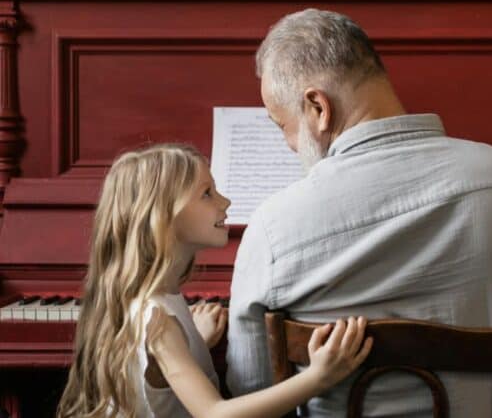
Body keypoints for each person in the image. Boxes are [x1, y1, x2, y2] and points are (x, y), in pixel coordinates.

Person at [227, 9, 492, 417]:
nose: (287, 142)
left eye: (279, 124)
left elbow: (250, 384)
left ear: (318, 107)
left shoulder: (272, 225)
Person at [56, 143, 372, 418]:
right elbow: (215, 414)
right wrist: (319, 377)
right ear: (162, 216)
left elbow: (153, 375)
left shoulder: (153, 301)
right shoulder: (157, 320)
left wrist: (196, 344)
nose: (225, 202)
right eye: (207, 193)